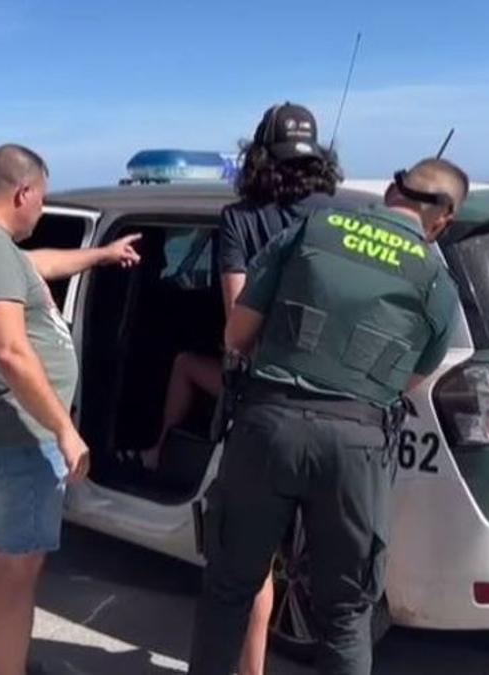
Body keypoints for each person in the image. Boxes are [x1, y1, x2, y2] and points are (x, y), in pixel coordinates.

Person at [188, 158, 469, 675]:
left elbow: (236, 336)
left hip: (267, 428)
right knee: (345, 614)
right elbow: (408, 380)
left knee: (230, 590)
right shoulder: (436, 281)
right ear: (443, 220)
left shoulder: (311, 231)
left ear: (391, 190)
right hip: (357, 447)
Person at [136, 102, 342, 675]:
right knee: (344, 599)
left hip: (265, 412)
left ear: (257, 156)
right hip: (344, 416)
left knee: (245, 569)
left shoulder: (240, 220)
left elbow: (235, 327)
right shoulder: (344, 220)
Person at [0, 143, 140, 675]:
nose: (41, 212)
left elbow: (39, 265)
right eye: (40, 201)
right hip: (17, 433)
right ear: (22, 192)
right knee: (18, 568)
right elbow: (11, 351)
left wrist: (102, 254)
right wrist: (65, 428)